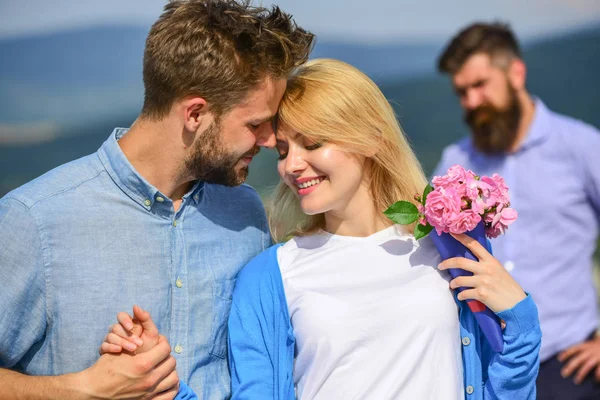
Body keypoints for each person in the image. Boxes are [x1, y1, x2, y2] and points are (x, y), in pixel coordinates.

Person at [105, 58, 542, 399]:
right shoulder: (270, 277)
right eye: (282, 149)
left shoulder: (446, 249)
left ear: (371, 138)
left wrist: (521, 318)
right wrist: (163, 386)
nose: (292, 165)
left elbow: (504, 387)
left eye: (313, 143)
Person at [0, 0, 314, 398]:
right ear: (195, 114)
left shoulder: (245, 213)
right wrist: (77, 390)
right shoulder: (35, 220)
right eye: (255, 124)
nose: (270, 140)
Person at [433, 22, 600, 399]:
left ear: (516, 73)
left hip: (567, 363)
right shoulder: (454, 161)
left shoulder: (582, 146)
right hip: (485, 364)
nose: (471, 102)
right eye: (462, 92)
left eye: (480, 85)